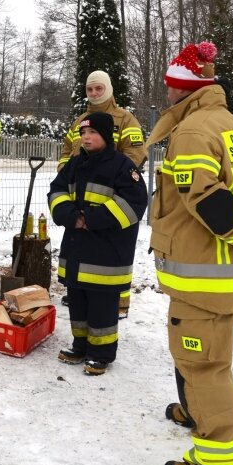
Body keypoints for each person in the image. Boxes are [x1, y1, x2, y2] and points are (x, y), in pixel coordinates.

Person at [147, 42, 233, 465]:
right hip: (223, 277)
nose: (166, 96)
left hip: (201, 280)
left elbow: (205, 198)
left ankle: (214, 461)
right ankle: (196, 412)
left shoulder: (194, 132)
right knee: (206, 358)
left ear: (184, 89)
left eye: (169, 88)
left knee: (205, 367)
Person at [48, 112, 147, 375]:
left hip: (107, 253)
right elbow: (56, 191)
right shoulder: (75, 163)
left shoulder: (122, 167)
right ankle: (81, 344)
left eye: (92, 133)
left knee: (102, 304)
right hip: (78, 249)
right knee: (78, 299)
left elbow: (134, 204)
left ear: (106, 136)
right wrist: (70, 216)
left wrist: (90, 220)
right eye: (83, 133)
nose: (86, 138)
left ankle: (101, 353)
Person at [58, 70, 147, 319]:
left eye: (99, 88)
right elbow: (67, 150)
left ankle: (119, 300)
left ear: (108, 89)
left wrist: (107, 175)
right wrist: (67, 171)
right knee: (83, 248)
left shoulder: (125, 119)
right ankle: (81, 289)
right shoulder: (80, 121)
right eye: (90, 89)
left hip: (111, 197)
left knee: (113, 252)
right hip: (80, 197)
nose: (94, 93)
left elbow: (135, 155)